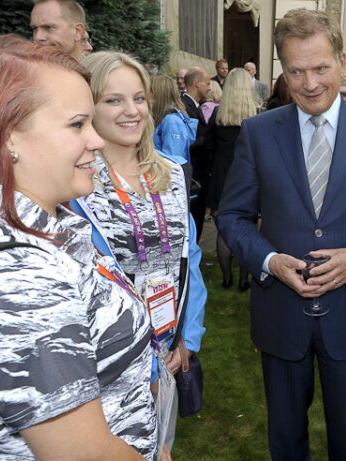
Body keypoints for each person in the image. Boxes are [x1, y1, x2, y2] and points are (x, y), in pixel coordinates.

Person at [216, 8, 346, 460]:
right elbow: (231, 217)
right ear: (282, 71)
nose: (309, 83)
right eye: (296, 71)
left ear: (342, 62)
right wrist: (269, 262)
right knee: (286, 441)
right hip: (281, 319)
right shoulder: (258, 132)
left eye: (321, 68)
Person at [0, 35, 159, 460]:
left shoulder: (50, 227)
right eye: (76, 124)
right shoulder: (15, 280)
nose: (97, 140)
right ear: (8, 136)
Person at [77, 50, 207, 451]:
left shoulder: (170, 173)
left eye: (138, 97)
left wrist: (188, 335)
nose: (131, 110)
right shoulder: (76, 185)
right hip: (107, 369)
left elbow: (191, 260)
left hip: (168, 351)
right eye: (113, 100)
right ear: (89, 107)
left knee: (160, 446)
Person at [206, 68, 256, 291]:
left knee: (223, 231)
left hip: (222, 179)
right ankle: (244, 280)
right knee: (246, 231)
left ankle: (227, 279)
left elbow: (207, 148)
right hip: (248, 180)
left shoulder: (218, 118)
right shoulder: (257, 120)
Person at [181, 68, 212, 238]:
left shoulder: (196, 105)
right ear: (197, 83)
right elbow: (190, 141)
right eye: (207, 84)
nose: (209, 88)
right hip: (194, 172)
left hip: (200, 172)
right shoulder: (185, 106)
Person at [152, 75, 198, 164]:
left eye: (150, 91)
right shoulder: (165, 118)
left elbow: (172, 162)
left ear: (158, 94)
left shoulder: (172, 121)